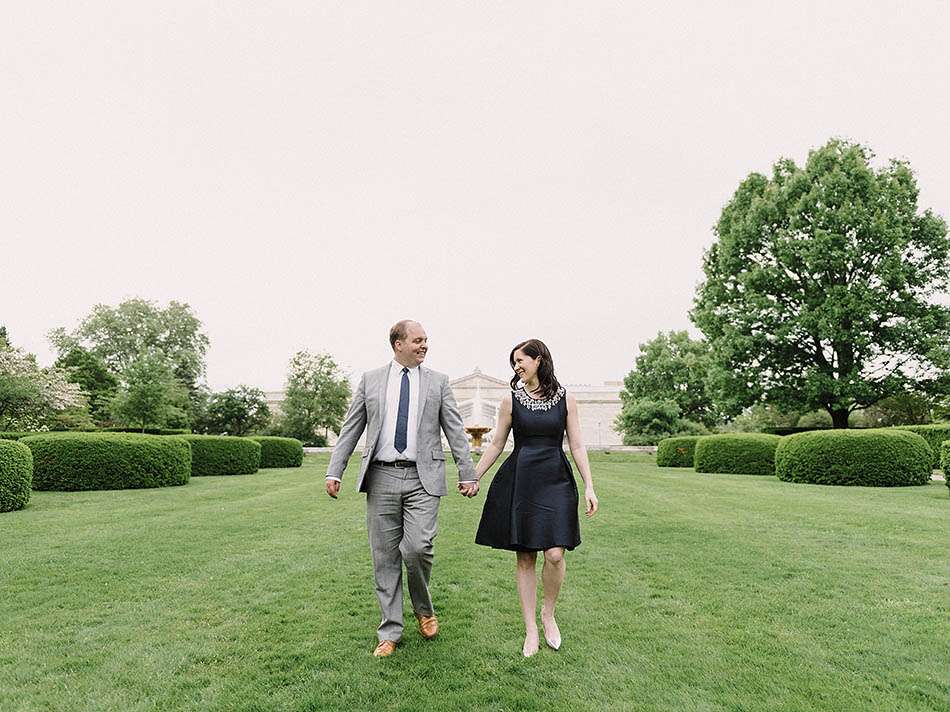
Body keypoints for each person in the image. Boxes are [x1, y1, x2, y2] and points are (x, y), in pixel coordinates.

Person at [325, 320, 477, 657]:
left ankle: (423, 609)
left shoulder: (438, 382)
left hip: (424, 478)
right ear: (398, 344)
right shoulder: (371, 380)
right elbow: (351, 428)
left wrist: (468, 473)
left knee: (417, 548)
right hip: (380, 478)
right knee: (384, 557)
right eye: (418, 340)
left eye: (426, 341)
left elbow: (454, 429)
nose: (424, 346)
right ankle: (390, 631)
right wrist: (334, 470)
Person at [471, 338, 599, 657]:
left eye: (521, 360)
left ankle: (548, 614)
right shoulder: (509, 401)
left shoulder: (566, 399)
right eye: (513, 362)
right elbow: (497, 444)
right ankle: (530, 629)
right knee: (526, 555)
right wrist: (474, 475)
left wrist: (590, 486)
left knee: (555, 553)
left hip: (555, 478)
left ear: (539, 360)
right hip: (522, 480)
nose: (517, 366)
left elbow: (578, 445)